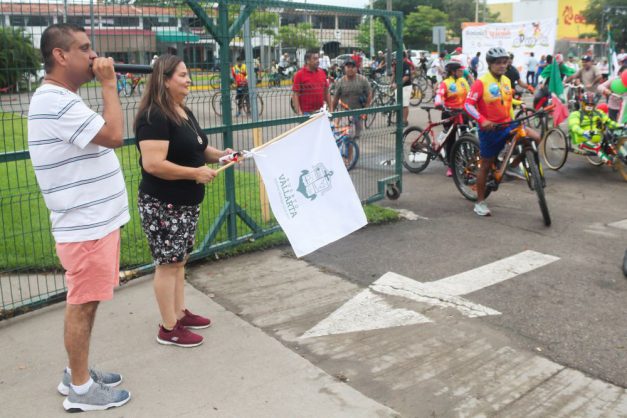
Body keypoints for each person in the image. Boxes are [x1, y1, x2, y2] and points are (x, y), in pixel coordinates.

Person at [27, 23, 131, 412]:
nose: (94, 55)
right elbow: (115, 134)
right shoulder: (55, 101)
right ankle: (82, 391)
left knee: (89, 300)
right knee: (83, 303)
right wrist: (109, 84)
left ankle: (77, 372)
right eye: (85, 48)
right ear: (60, 55)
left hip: (94, 223)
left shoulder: (62, 99)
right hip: (85, 226)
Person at [134, 54, 235, 348]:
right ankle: (169, 328)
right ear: (164, 80)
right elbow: (153, 164)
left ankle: (179, 313)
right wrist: (195, 173)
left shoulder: (182, 111)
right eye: (182, 75)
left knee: (180, 260)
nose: (189, 79)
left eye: (187, 74)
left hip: (185, 204)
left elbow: (199, 149)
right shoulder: (154, 116)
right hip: (163, 204)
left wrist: (222, 156)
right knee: (168, 264)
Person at [464, 46, 541, 217]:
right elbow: (468, 105)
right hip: (490, 130)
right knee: (485, 165)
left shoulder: (506, 80)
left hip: (508, 124)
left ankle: (512, 166)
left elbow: (505, 99)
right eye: (498, 63)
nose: (502, 66)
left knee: (535, 138)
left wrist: (518, 103)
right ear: (490, 64)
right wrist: (483, 120)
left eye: (504, 62)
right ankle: (480, 202)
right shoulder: (481, 82)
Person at [434, 59, 470, 177]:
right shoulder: (445, 83)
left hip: (462, 113)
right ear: (453, 72)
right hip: (449, 113)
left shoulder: (463, 81)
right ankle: (450, 165)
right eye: (459, 71)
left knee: (465, 137)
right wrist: (438, 103)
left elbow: (470, 94)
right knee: (451, 140)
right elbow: (439, 95)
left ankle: (466, 161)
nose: (462, 72)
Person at [567, 92, 621, 164]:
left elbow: (609, 122)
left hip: (597, 138)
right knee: (596, 147)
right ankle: (610, 162)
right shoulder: (576, 114)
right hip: (582, 139)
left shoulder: (598, 113)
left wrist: (620, 125)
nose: (589, 106)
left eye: (591, 104)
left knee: (611, 143)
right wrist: (583, 132)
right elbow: (574, 126)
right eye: (587, 104)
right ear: (582, 103)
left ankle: (619, 157)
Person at [331, 59, 372, 140]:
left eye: (352, 67)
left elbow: (369, 94)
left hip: (358, 112)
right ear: (344, 69)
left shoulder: (362, 80)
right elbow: (335, 98)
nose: (350, 69)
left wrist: (366, 109)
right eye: (348, 67)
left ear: (356, 68)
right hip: (344, 112)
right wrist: (332, 112)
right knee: (347, 135)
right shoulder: (340, 81)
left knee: (356, 136)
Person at [292, 50, 331, 115]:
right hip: (306, 113)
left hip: (321, 112)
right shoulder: (299, 74)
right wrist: (299, 112)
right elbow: (295, 94)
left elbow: (326, 92)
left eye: (318, 58)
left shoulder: (322, 72)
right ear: (308, 61)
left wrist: (331, 109)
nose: (318, 61)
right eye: (315, 59)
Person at [391, 51, 413, 126]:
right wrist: (391, 83)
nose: (396, 58)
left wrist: (397, 84)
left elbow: (406, 77)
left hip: (406, 87)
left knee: (404, 105)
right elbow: (394, 74)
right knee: (399, 104)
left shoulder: (406, 65)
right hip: (398, 87)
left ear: (403, 57)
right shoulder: (397, 65)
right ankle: (399, 120)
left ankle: (404, 121)